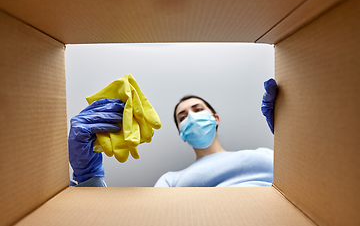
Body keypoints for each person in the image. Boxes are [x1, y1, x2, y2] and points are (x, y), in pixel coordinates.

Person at [69, 79, 278, 187]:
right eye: (182, 117)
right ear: (182, 133)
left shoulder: (266, 153)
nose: (192, 117)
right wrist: (89, 177)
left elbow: (305, 180)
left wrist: (290, 136)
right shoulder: (171, 180)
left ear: (215, 118)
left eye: (197, 109)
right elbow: (143, 223)